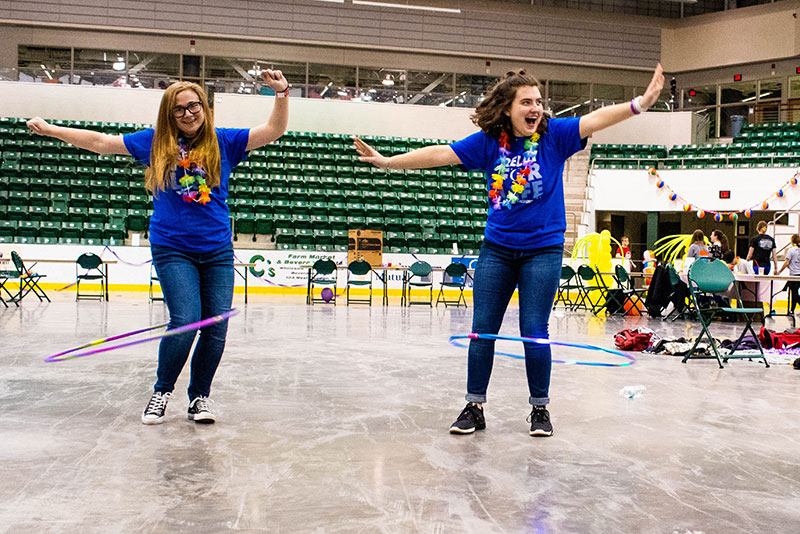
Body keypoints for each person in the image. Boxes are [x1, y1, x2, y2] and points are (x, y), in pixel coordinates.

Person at [355, 65, 664, 437]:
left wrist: (640, 104)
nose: (537, 108)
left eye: (539, 101)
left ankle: (540, 409)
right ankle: (474, 406)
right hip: (497, 250)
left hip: (543, 251)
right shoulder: (488, 142)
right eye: (528, 102)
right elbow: (441, 154)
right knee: (482, 330)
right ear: (508, 108)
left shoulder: (556, 136)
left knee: (534, 329)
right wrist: (389, 161)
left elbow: (595, 118)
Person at [26, 70, 290, 425]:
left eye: (193, 105)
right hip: (173, 248)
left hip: (216, 251)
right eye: (179, 109)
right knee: (185, 320)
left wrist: (282, 92)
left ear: (204, 108)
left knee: (215, 327)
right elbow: (101, 143)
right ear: (170, 114)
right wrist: (53, 130)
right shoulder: (155, 143)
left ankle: (199, 398)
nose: (188, 113)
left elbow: (274, 131)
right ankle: (161, 391)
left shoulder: (224, 141)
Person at [777, 234, 800, 313]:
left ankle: (792, 309)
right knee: (795, 292)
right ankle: (792, 309)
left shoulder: (791, 250)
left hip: (794, 274)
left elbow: (787, 262)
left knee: (794, 292)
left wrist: (779, 271)